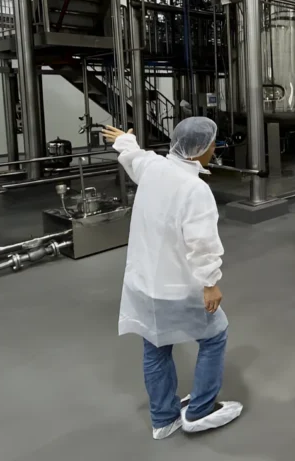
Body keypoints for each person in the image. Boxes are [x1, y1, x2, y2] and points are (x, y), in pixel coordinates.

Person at [104, 119, 243, 440]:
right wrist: (210, 283)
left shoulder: (153, 168)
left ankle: (163, 419)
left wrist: (124, 140)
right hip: (176, 287)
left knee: (155, 345)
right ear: (199, 151)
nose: (213, 149)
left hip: (142, 283)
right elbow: (202, 244)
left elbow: (133, 156)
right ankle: (200, 410)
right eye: (211, 145)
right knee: (215, 336)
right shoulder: (194, 189)